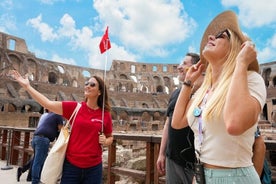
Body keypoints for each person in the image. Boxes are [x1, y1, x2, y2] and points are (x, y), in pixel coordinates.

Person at [171, 10, 266, 184]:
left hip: (236, 178)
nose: (210, 38)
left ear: (236, 47)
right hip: (202, 175)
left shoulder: (252, 79)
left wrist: (241, 63)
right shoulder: (205, 89)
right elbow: (177, 122)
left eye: (220, 35)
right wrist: (188, 84)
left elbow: (234, 124)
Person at [8, 70, 113, 184]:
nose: (87, 86)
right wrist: (28, 87)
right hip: (72, 166)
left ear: (100, 91)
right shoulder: (75, 108)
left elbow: (110, 137)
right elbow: (48, 104)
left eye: (92, 84)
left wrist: (106, 141)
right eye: (86, 83)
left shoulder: (105, 114)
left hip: (94, 168)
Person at [156, 52, 201, 184]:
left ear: (196, 68)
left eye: (185, 63)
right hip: (172, 159)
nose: (179, 67)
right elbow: (168, 123)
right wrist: (162, 153)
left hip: (193, 162)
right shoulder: (176, 93)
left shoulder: (203, 93)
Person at [32, 108, 63, 184]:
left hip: (36, 138)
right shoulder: (58, 114)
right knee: (38, 162)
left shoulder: (50, 115)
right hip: (43, 139)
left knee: (38, 161)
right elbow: (61, 129)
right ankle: (35, 181)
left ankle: (38, 179)